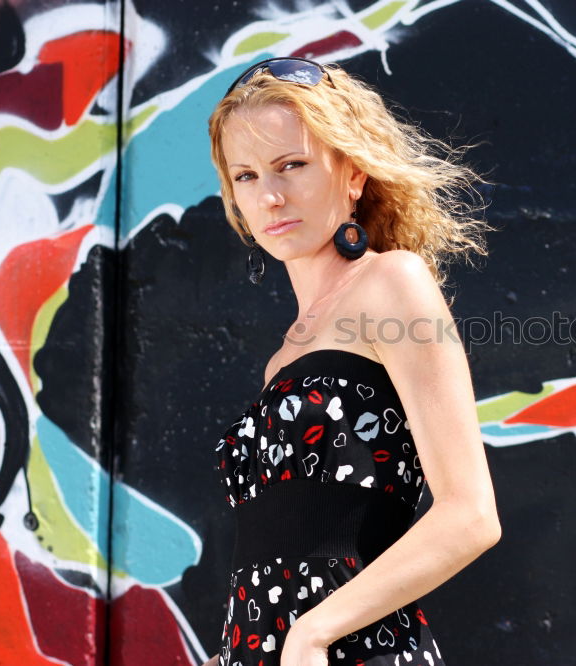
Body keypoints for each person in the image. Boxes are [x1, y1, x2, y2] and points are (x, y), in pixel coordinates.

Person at [203, 57, 501, 666]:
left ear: (354, 173)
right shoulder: (283, 358)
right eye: (247, 175)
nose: (271, 195)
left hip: (354, 651)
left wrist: (311, 634)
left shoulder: (392, 284)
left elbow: (471, 515)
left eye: (292, 165)